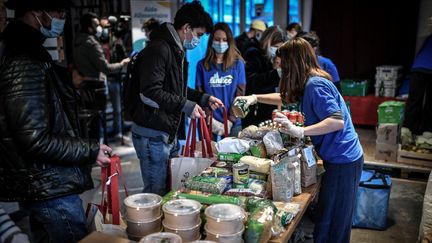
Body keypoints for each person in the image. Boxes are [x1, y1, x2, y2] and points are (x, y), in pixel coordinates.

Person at [0, 0, 113, 242]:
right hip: (50, 187)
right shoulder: (23, 58)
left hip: (44, 183)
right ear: (36, 11)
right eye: (58, 11)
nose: (62, 16)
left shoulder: (30, 50)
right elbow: (34, 138)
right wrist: (90, 150)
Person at [235, 37, 363, 243]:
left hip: (344, 160)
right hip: (338, 158)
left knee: (334, 222)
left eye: (282, 66)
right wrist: (255, 98)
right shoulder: (308, 83)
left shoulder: (315, 85)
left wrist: (300, 131)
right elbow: (286, 97)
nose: (281, 71)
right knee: (327, 218)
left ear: (292, 64)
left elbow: (336, 121)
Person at [130, 1, 223, 196]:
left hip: (165, 132)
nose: (198, 40)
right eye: (198, 34)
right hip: (152, 133)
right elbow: (149, 92)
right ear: (186, 28)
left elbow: (176, 89)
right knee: (156, 194)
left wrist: (203, 98)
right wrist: (185, 105)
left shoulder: (175, 49)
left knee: (168, 190)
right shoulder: (160, 49)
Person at [73, 12, 130, 141]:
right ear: (89, 27)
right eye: (96, 25)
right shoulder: (92, 43)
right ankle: (99, 151)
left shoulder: (77, 40)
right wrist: (122, 64)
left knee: (92, 123)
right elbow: (105, 68)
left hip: (84, 87)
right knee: (98, 122)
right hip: (95, 86)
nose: (100, 28)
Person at [196, 22, 246, 138]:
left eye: (224, 40)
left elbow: (241, 96)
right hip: (208, 120)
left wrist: (231, 120)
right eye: (217, 39)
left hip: (233, 122)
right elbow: (199, 94)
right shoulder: (202, 65)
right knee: (207, 155)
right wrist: (209, 117)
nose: (221, 43)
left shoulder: (238, 65)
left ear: (229, 42)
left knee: (232, 156)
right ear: (212, 41)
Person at [242, 25, 287, 127]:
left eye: (280, 47)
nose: (277, 50)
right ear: (267, 42)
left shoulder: (275, 57)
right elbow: (252, 82)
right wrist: (276, 73)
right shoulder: (253, 53)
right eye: (275, 47)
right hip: (254, 110)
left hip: (271, 108)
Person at [403, 33, 432, 135]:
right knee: (430, 103)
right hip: (428, 68)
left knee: (414, 101)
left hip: (417, 67)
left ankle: (407, 130)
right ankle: (427, 132)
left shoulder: (429, 37)